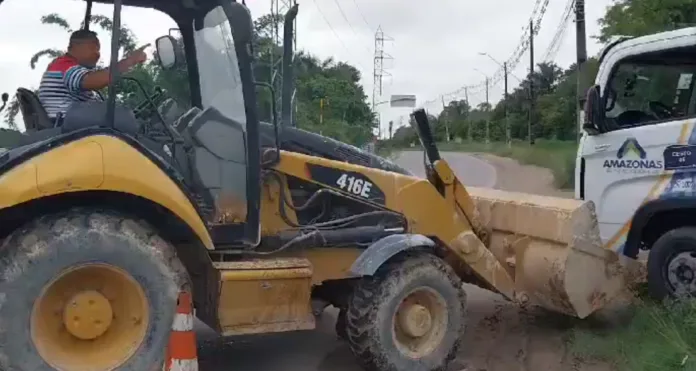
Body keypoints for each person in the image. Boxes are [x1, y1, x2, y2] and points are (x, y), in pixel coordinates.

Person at [38, 29, 149, 122]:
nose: (97, 54)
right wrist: (129, 61)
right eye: (93, 48)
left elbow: (100, 75)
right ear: (76, 46)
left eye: (98, 50)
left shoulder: (68, 67)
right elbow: (93, 81)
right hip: (66, 124)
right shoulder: (64, 65)